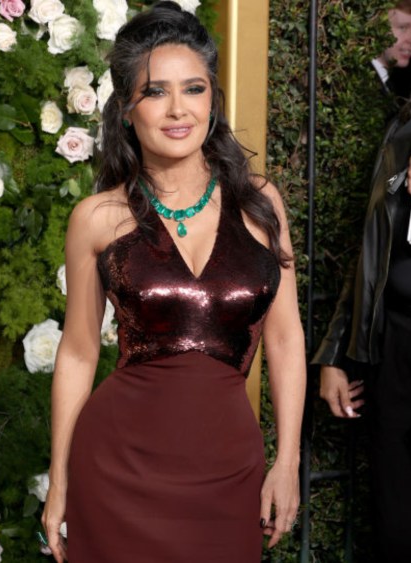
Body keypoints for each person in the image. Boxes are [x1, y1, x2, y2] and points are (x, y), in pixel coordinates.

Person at [41, 3, 305, 562]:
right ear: (126, 111)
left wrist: (288, 462)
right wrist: (59, 480)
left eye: (194, 89)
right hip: (117, 469)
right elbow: (78, 354)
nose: (178, 109)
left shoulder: (261, 205)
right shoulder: (97, 218)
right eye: (156, 92)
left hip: (228, 471)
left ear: (213, 100)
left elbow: (284, 340)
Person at [314, 87, 411, 563]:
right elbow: (371, 253)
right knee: (395, 529)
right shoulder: (402, 128)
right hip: (395, 346)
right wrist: (335, 353)